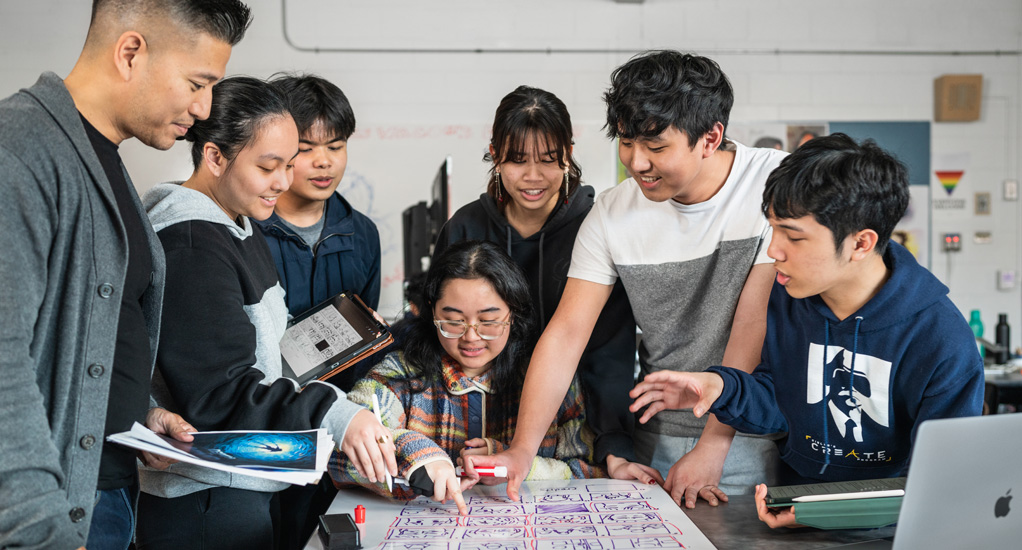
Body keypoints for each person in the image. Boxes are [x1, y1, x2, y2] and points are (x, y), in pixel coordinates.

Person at [471, 50, 788, 508]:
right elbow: (566, 334)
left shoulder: (773, 184)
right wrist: (522, 449)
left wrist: (713, 446)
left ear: (710, 138)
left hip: (747, 436)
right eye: (626, 142)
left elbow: (752, 325)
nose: (636, 163)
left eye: (656, 147)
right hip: (653, 438)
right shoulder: (612, 213)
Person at [629, 134, 985, 528]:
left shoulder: (941, 338)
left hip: (892, 530)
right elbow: (781, 404)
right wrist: (720, 388)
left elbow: (942, 482)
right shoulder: (790, 297)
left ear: (861, 243)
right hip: (793, 513)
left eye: (794, 236)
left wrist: (827, 512)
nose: (773, 250)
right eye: (772, 230)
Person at [0, 1, 251, 548]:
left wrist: (138, 411)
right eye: (197, 84)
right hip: (51, 516)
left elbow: (84, 338)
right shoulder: (20, 150)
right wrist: (37, 529)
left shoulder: (103, 158)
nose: (204, 108)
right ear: (131, 52)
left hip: (107, 488)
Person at [136, 77, 396, 550]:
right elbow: (220, 397)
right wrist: (336, 413)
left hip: (244, 481)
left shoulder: (239, 223)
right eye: (268, 166)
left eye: (288, 164)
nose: (283, 181)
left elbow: (258, 348)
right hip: (205, 495)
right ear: (215, 157)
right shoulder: (192, 243)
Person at [433, 86, 650, 482]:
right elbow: (442, 337)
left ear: (568, 153)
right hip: (476, 428)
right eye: (517, 160)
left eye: (549, 160)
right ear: (495, 154)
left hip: (571, 433)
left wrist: (614, 448)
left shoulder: (594, 229)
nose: (533, 177)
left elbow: (609, 351)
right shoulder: (465, 227)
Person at [330, 241, 604, 514]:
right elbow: (337, 457)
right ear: (432, 311)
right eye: (453, 321)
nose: (471, 336)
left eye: (489, 321)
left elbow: (588, 470)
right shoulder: (400, 373)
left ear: (513, 313)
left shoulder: (548, 376)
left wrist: (514, 466)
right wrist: (417, 458)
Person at [255, 74, 381, 389]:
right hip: (264, 398)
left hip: (342, 403)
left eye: (335, 146)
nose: (324, 162)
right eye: (306, 149)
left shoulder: (362, 234)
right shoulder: (246, 230)